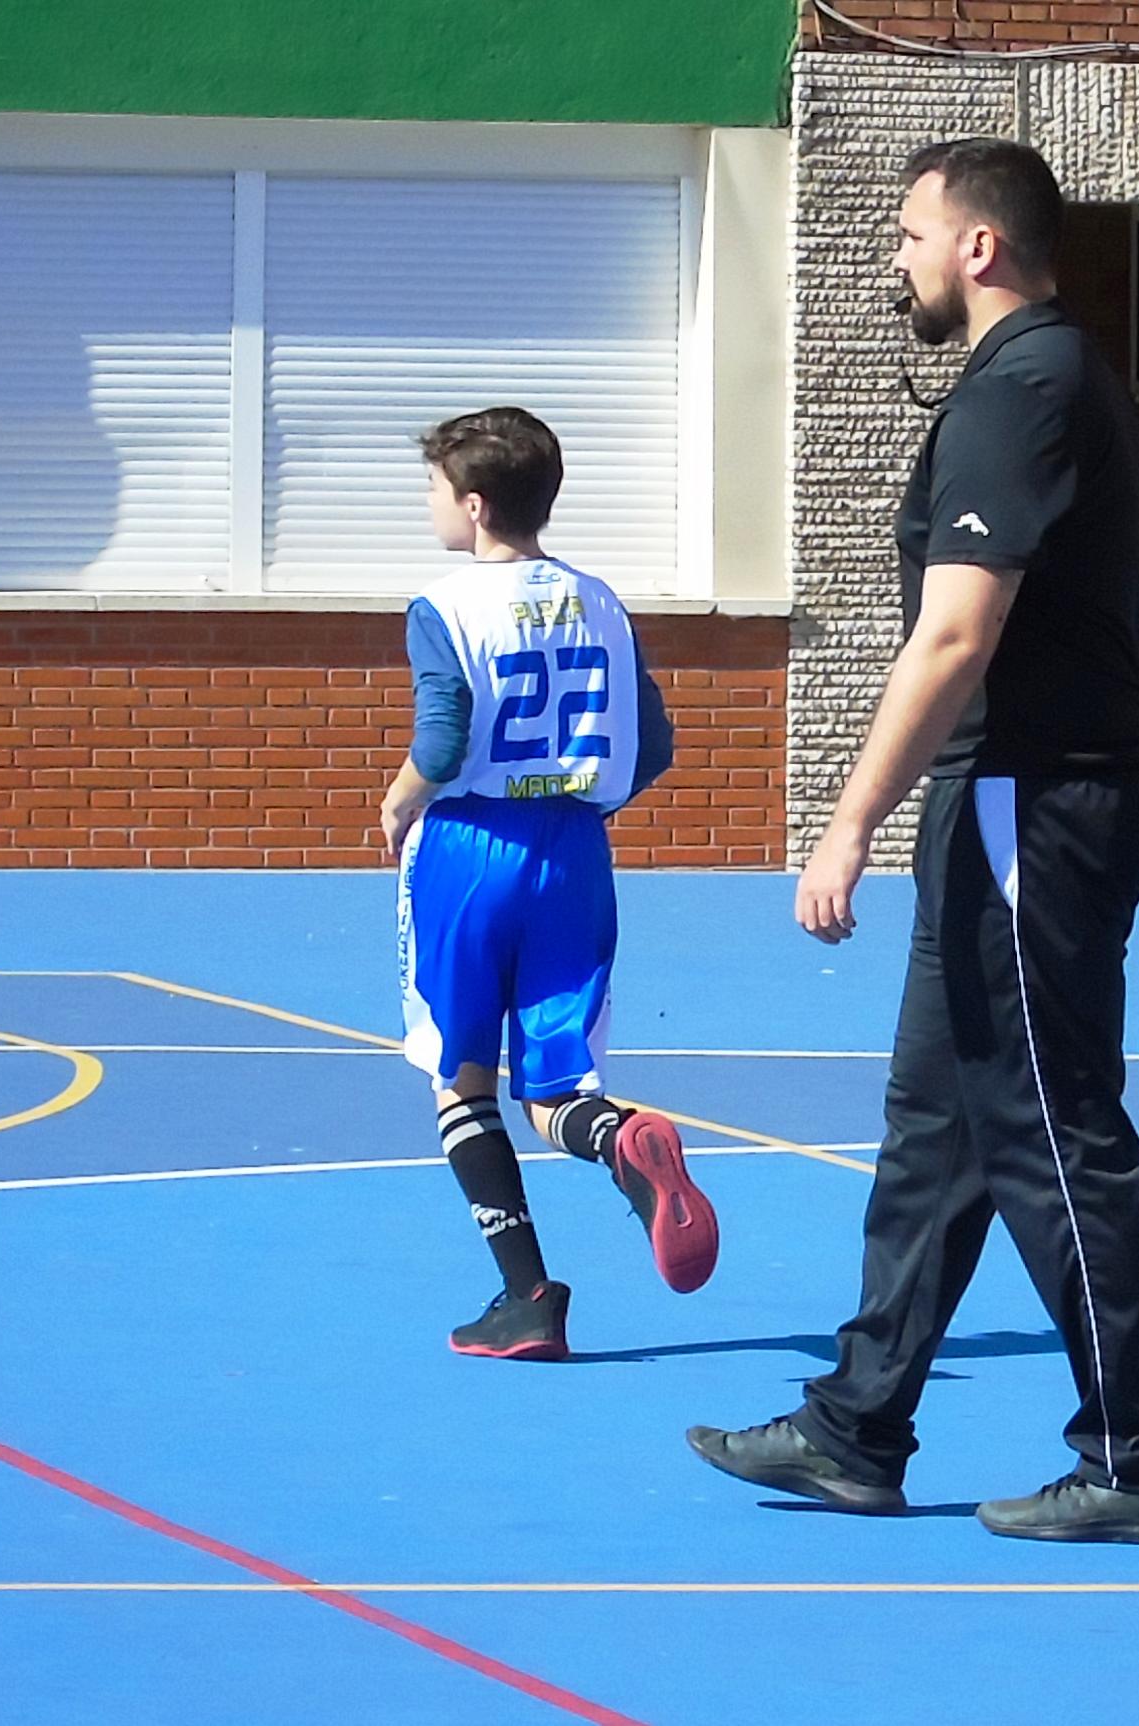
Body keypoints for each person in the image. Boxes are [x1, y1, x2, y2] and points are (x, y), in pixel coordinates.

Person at [685, 138, 1139, 1544]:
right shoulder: (1028, 382)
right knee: (938, 1125)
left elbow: (957, 631)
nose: (897, 259)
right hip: (1006, 796)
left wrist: (845, 822)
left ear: (977, 246)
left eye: (910, 233)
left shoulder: (1023, 385)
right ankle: (859, 1425)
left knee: (1048, 1124)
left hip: (1037, 800)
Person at [379, 406, 708, 1362]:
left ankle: (526, 1294)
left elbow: (441, 739)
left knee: (461, 1081)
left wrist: (401, 801)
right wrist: (585, 800)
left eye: (436, 489)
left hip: (470, 849)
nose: (431, 506)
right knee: (555, 1081)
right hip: (574, 851)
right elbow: (655, 743)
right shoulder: (602, 600)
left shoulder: (444, 606)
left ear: (474, 507)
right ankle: (618, 1139)